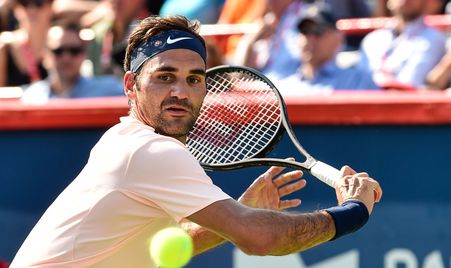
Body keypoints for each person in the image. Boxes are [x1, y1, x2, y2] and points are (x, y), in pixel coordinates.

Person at [10, 15, 382, 268]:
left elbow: (142, 249)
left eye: (193, 79)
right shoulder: (151, 151)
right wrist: (354, 211)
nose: (180, 92)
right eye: (165, 76)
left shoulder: (123, 140)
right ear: (130, 86)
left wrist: (235, 210)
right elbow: (260, 239)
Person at [274, 3, 379, 94]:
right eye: (305, 31)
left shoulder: (358, 81)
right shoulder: (282, 88)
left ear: (338, 38)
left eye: (317, 31)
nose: (310, 38)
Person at [21, 23, 124, 103]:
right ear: (45, 56)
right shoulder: (32, 96)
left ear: (84, 55)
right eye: (58, 51)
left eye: (74, 51)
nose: (66, 58)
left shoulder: (109, 90)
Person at [359, 0, 446, 90]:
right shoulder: (372, 39)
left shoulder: (433, 39)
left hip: (402, 101)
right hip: (365, 99)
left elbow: (408, 86)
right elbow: (360, 82)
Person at [0, 0, 53, 87]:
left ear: (51, 7)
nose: (31, 9)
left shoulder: (65, 45)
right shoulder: (4, 45)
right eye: (24, 3)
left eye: (38, 3)